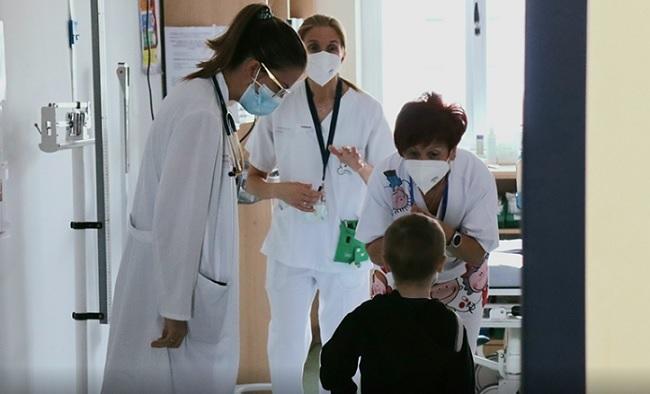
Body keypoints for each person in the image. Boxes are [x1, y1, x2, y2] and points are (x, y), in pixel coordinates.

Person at [101, 5, 306, 394]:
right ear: (253, 70)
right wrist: (175, 309)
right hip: (175, 291)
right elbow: (178, 218)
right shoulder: (200, 115)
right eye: (278, 88)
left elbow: (209, 190)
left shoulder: (208, 101)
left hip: (189, 280)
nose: (277, 99)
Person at [244, 14, 395, 394]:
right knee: (286, 340)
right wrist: (282, 191)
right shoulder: (280, 105)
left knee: (345, 342)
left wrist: (359, 166)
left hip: (347, 245)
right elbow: (249, 179)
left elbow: (390, 186)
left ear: (343, 54)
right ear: (301, 52)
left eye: (331, 47)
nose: (323, 55)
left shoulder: (367, 109)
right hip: (291, 244)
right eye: (313, 47)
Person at [355, 92, 499, 352]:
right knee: (397, 361)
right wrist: (407, 241)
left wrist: (442, 233)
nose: (423, 162)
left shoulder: (475, 175)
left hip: (458, 281)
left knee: (455, 361)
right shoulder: (387, 175)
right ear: (401, 152)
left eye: (434, 153)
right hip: (399, 282)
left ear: (452, 152)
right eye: (413, 153)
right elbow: (373, 248)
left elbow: (478, 252)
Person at [320, 214, 475, 393]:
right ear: (440, 264)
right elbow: (464, 385)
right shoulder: (452, 323)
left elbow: (332, 368)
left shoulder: (367, 316)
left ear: (386, 262)